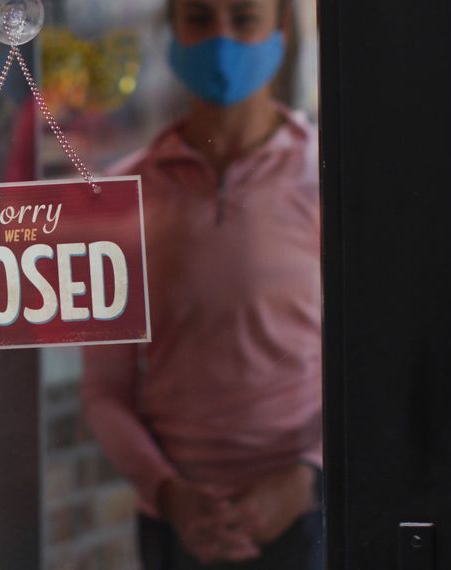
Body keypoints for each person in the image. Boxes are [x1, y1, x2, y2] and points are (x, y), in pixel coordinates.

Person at [80, 0, 322, 568]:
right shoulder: (122, 193)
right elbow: (105, 391)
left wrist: (310, 478)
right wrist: (170, 494)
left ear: (280, 29)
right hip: (175, 526)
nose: (221, 40)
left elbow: (372, 364)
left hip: (306, 518)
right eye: (198, 19)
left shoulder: (323, 176)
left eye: (244, 20)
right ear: (172, 30)